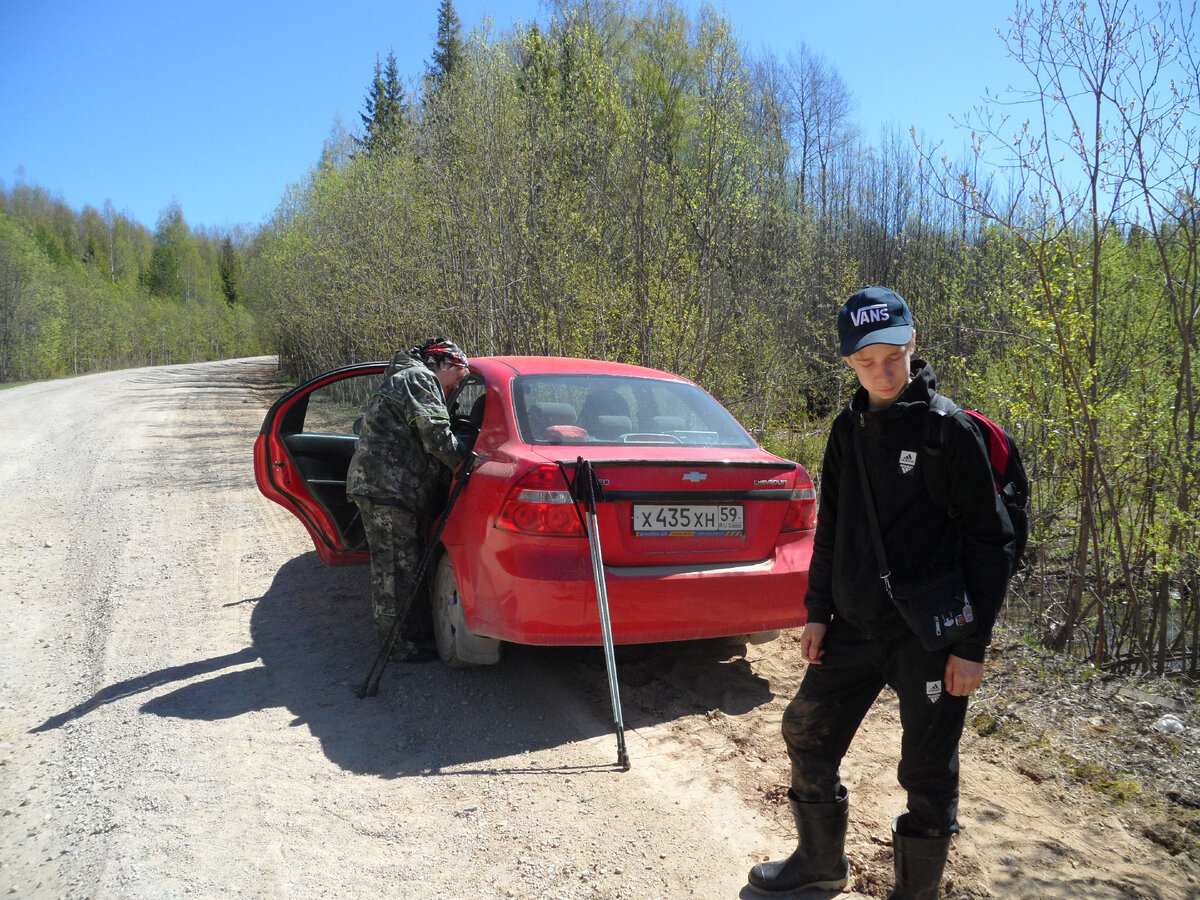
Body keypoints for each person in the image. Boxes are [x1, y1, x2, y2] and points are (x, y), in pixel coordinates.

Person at [748, 287, 1015, 899]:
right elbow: (832, 528)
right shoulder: (847, 429)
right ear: (848, 362)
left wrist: (972, 647)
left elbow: (990, 543)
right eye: (867, 362)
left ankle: (913, 894)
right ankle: (820, 862)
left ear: (912, 343)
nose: (883, 371)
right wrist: (817, 612)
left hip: (932, 636)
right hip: (855, 627)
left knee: (926, 773)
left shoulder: (950, 432)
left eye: (892, 355)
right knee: (806, 732)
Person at [346, 338, 473, 662]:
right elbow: (436, 435)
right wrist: (468, 464)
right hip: (387, 488)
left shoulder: (405, 376)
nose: (457, 385)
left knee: (402, 565)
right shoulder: (419, 378)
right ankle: (397, 647)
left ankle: (411, 638)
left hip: (388, 487)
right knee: (392, 572)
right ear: (445, 364)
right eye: (459, 377)